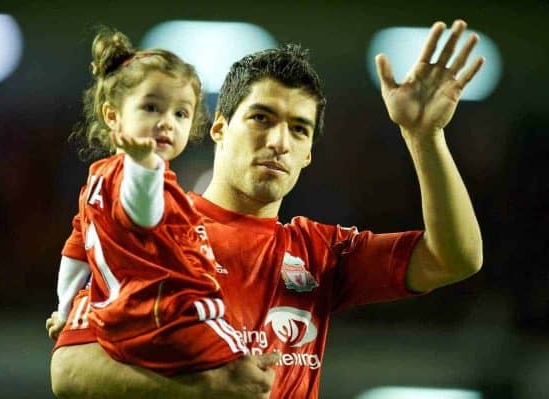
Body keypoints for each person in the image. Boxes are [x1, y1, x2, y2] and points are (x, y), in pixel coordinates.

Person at [49, 19, 484, 398]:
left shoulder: (322, 253)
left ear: (308, 154)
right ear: (219, 127)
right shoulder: (153, 227)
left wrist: (424, 137)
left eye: (298, 129)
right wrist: (208, 391)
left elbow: (455, 258)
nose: (279, 142)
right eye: (261, 118)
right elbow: (69, 372)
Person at [49, 26, 251, 377]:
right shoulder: (140, 177)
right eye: (151, 107)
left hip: (116, 323)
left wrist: (64, 309)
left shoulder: (96, 178)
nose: (166, 123)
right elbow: (142, 216)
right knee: (251, 370)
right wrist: (145, 168)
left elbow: (75, 251)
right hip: (163, 318)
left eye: (181, 114)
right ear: (113, 115)